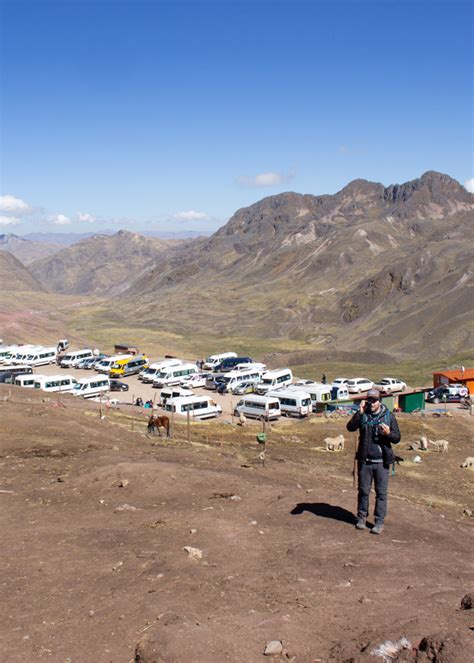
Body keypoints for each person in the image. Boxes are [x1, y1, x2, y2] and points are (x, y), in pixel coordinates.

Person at [347, 389, 400, 535]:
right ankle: (362, 518)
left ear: (379, 401)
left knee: (381, 494)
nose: (372, 403)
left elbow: (397, 437)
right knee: (363, 491)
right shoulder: (363, 415)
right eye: (369, 400)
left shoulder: (389, 416)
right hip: (365, 461)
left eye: (374, 400)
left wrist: (388, 433)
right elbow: (350, 427)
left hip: (382, 462)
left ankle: (378, 522)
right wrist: (359, 413)